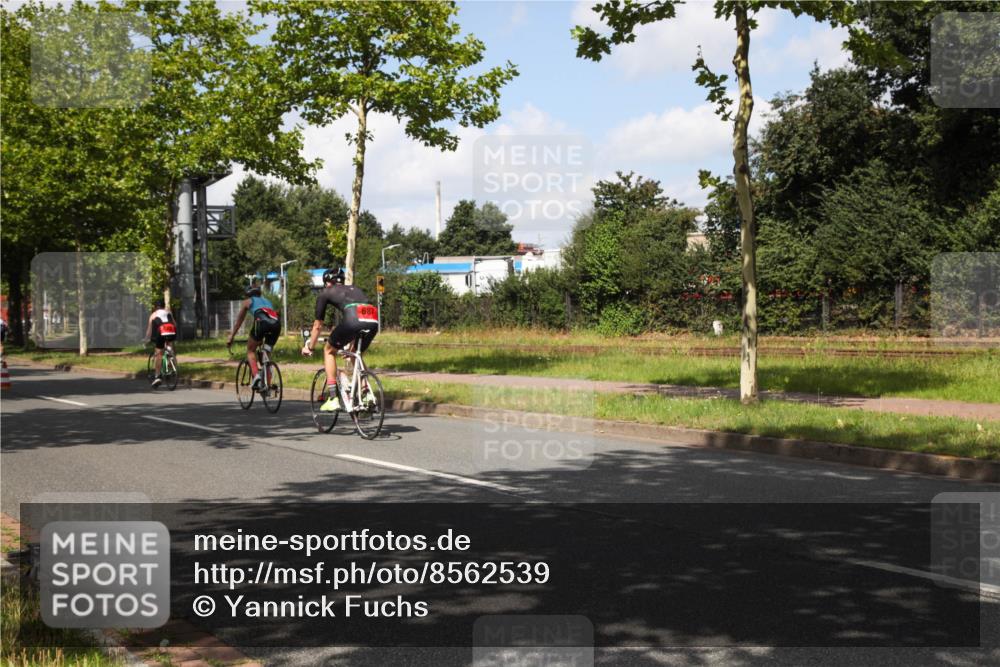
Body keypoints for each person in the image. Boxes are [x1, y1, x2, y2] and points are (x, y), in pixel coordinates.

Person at [301, 268, 378, 412]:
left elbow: (317, 326)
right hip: (373, 319)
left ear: (327, 283)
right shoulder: (354, 288)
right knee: (355, 353)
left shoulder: (326, 292)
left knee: (329, 351)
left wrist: (310, 347)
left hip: (353, 319)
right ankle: (366, 393)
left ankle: (332, 398)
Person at [226, 280, 281, 391]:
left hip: (261, 324)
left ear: (247, 294)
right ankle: (268, 384)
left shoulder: (248, 301)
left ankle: (256, 376)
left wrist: (231, 336)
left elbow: (239, 321)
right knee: (267, 352)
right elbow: (272, 316)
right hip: (276, 325)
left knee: (250, 350)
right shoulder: (267, 301)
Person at [145, 299, 177, 387]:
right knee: (170, 348)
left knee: (158, 353)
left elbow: (149, 330)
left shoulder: (153, 315)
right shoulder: (169, 312)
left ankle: (157, 376)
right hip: (171, 332)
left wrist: (146, 339)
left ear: (155, 307)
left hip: (161, 333)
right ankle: (172, 365)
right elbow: (175, 324)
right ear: (163, 306)